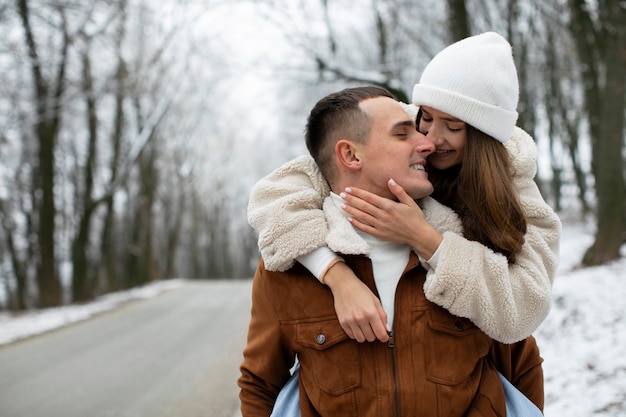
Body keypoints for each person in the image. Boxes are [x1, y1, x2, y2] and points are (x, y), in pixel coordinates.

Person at [238, 86, 544, 416]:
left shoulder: (469, 241)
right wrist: (335, 274)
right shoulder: (289, 265)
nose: (428, 143)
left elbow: (521, 366)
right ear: (351, 156)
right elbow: (259, 384)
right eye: (402, 135)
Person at [247, 32, 561, 344]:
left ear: (483, 137)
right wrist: (337, 275)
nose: (430, 139)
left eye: (453, 127)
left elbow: (525, 309)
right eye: (426, 116)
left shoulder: (517, 191)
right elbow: (279, 191)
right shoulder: (404, 127)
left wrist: (423, 237)